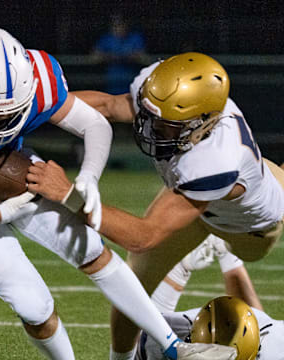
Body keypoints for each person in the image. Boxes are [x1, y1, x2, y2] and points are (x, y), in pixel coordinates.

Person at [0, 27, 219, 360]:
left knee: (92, 249)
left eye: (11, 113)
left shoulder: (40, 79)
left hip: (21, 174)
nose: (2, 123)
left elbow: (94, 123)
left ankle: (173, 347)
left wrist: (89, 177)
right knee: (33, 306)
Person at [26, 52, 284, 360]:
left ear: (203, 125)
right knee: (132, 282)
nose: (149, 128)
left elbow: (143, 235)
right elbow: (109, 106)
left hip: (251, 226)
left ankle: (225, 256)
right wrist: (25, 114)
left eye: (166, 125)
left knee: (245, 249)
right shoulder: (163, 86)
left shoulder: (216, 161)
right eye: (150, 116)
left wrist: (69, 194)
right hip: (201, 194)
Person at [136, 241, 283, 360]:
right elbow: (136, 333)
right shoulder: (179, 330)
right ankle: (185, 266)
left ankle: (228, 254)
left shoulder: (275, 348)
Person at [92, 14, 148, 95]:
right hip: (111, 84)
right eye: (115, 25)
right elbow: (94, 58)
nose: (119, 28)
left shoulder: (135, 37)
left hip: (131, 83)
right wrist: (110, 57)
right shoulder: (106, 39)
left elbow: (144, 58)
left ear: (126, 25)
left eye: (121, 24)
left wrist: (129, 57)